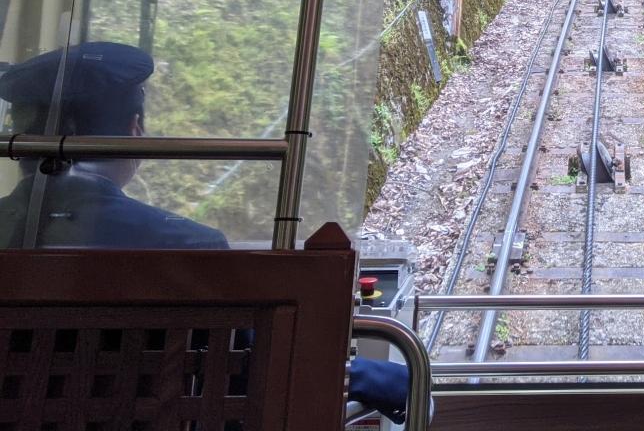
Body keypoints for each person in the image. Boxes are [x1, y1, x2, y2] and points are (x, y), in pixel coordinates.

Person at [0, 42, 410, 421]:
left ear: (20, 143)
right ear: (133, 130)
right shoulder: (187, 247)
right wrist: (378, 377)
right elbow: (253, 366)